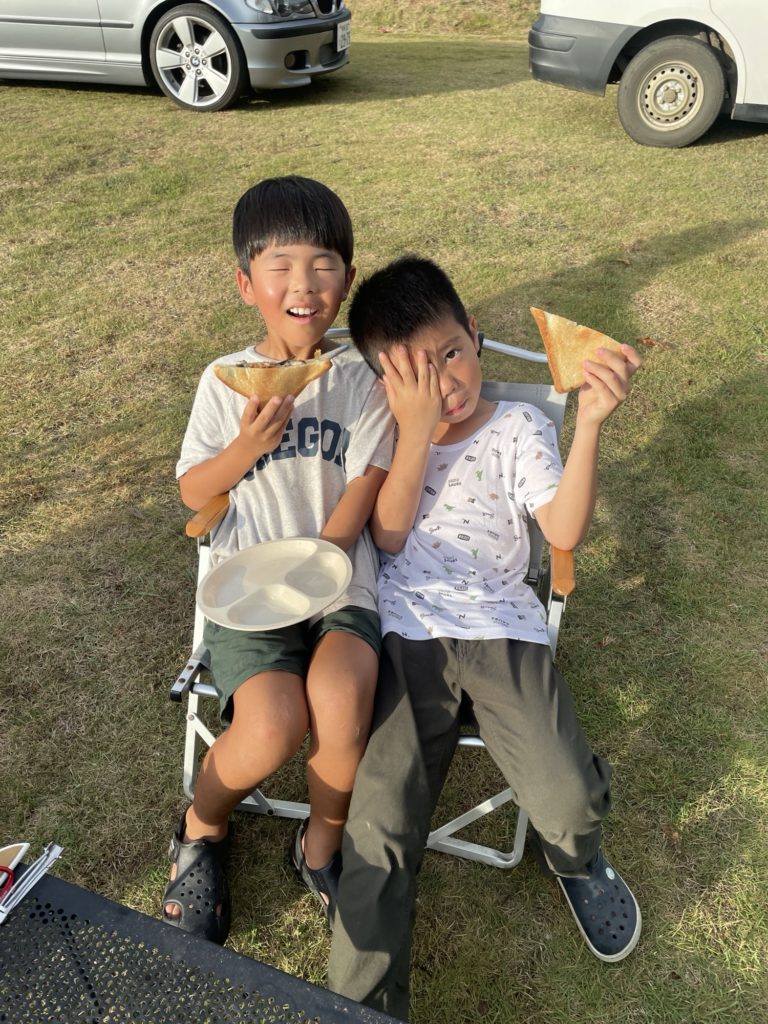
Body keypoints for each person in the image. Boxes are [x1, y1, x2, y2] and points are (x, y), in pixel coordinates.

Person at [326, 256, 643, 1020]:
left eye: (451, 353)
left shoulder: (517, 428)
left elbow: (562, 529)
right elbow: (389, 537)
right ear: (387, 385)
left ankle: (575, 860)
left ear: (474, 333)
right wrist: (413, 433)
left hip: (501, 626)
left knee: (569, 800)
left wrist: (589, 425)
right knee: (378, 826)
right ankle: (360, 1005)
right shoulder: (388, 437)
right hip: (408, 633)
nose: (446, 383)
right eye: (418, 374)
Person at [162, 176, 394, 944]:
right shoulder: (222, 380)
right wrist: (246, 445)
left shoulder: (362, 380)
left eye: (323, 264)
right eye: (281, 266)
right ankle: (202, 826)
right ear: (246, 283)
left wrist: (323, 559)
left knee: (341, 701)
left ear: (347, 279)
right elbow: (194, 490)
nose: (304, 285)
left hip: (340, 580)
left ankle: (319, 846)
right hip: (249, 585)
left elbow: (365, 481)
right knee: (270, 727)